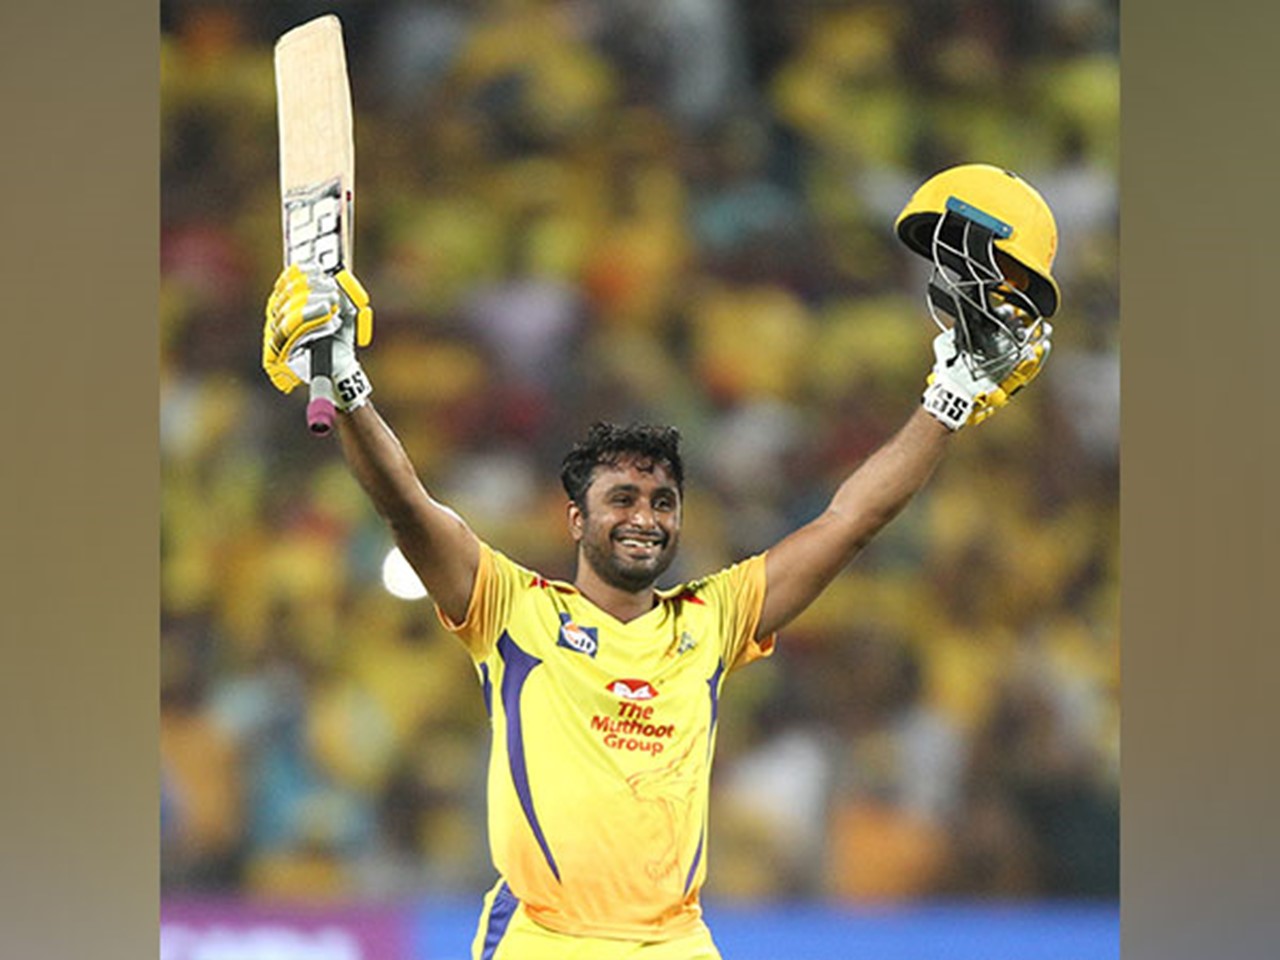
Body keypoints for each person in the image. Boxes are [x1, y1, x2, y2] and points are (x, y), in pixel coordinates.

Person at [260, 163, 1059, 959]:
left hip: (673, 945)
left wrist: (945, 402)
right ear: (576, 519)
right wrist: (349, 386)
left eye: (663, 502)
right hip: (547, 942)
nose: (644, 517)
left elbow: (851, 521)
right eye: (622, 500)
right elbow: (406, 505)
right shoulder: (513, 607)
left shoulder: (711, 620)